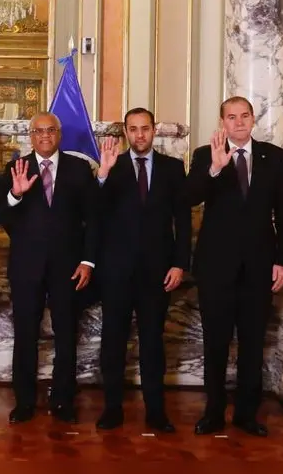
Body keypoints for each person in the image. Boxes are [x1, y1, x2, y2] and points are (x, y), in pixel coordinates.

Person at [185, 96, 283, 437]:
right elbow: (188, 197)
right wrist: (216, 168)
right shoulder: (206, 154)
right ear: (222, 122)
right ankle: (214, 411)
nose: (238, 122)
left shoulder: (274, 157)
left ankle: (247, 414)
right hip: (216, 268)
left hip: (259, 267)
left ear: (253, 119)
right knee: (215, 344)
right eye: (231, 117)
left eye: (244, 116)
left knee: (252, 344)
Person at [0, 112, 97, 424]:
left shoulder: (79, 168)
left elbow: (94, 219)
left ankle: (63, 399)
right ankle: (24, 401)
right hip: (26, 268)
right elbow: (1, 215)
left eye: (51, 130)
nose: (45, 135)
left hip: (69, 267)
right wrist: (15, 194)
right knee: (25, 334)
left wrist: (88, 260)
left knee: (66, 334)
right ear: (30, 135)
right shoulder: (16, 168)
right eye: (39, 131)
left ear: (59, 134)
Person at [94, 108, 191, 432]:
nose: (139, 135)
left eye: (145, 129)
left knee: (152, 342)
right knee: (113, 341)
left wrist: (180, 263)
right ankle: (112, 408)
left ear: (154, 130)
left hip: (157, 272)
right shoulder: (112, 167)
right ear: (125, 131)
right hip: (116, 272)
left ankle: (156, 411)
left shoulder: (173, 168)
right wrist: (103, 176)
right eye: (133, 129)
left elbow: (184, 220)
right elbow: (93, 214)